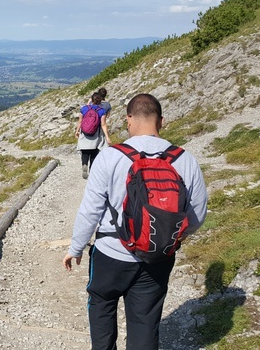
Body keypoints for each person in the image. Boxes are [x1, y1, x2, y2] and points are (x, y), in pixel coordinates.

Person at [63, 93, 208, 350]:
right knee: (145, 321)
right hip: (158, 255)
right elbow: (196, 215)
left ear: (129, 119)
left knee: (102, 304)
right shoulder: (184, 159)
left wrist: (76, 248)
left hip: (111, 253)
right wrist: (170, 236)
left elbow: (90, 210)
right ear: (161, 121)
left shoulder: (110, 157)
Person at [76, 92, 111, 179]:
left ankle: (84, 164)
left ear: (91, 100)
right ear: (100, 101)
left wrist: (77, 131)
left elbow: (80, 121)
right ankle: (91, 170)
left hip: (84, 133)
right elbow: (103, 124)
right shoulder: (101, 111)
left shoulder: (84, 109)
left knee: (85, 151)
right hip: (96, 134)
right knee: (94, 152)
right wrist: (107, 136)